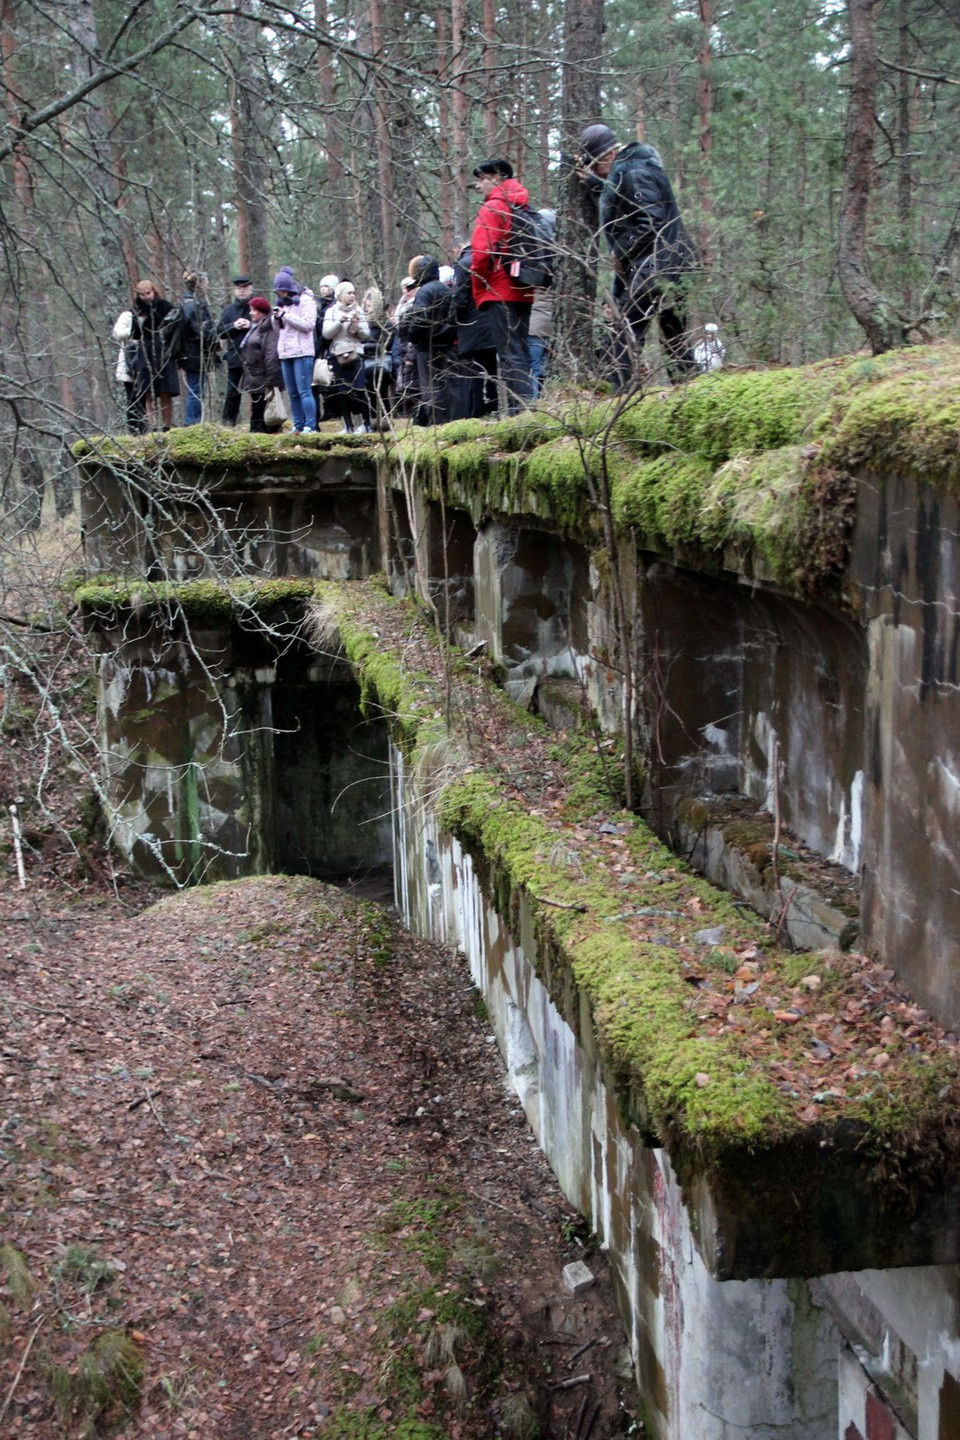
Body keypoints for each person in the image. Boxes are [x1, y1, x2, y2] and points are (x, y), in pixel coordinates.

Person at [578, 123, 697, 388]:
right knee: (674, 334)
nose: (595, 171)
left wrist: (619, 251)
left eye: (595, 165)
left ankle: (623, 400)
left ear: (609, 156)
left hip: (658, 264)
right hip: (670, 261)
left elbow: (649, 220)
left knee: (625, 332)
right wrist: (597, 185)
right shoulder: (637, 170)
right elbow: (625, 200)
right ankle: (692, 391)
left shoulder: (633, 173)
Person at [469, 157, 535, 414]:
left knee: (509, 355)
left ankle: (521, 415)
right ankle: (527, 408)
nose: (478, 187)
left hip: (499, 290)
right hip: (524, 288)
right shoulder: (522, 205)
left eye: (482, 179)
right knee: (521, 350)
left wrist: (481, 282)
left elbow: (481, 254)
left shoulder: (493, 207)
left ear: (496, 177)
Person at [399, 254, 457, 426]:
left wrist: (413, 337)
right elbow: (452, 318)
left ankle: (435, 424)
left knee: (429, 388)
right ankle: (446, 422)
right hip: (445, 346)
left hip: (427, 347)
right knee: (444, 385)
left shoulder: (424, 292)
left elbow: (419, 320)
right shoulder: (446, 290)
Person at [449, 238, 499, 420]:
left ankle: (476, 416)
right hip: (493, 325)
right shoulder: (490, 259)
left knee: (474, 376)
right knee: (493, 373)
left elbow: (459, 300)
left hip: (472, 329)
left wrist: (452, 321)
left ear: (457, 249)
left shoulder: (463, 265)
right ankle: (495, 411)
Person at [322, 280, 372, 433]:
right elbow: (326, 334)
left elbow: (367, 335)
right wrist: (339, 322)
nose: (352, 296)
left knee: (359, 390)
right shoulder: (331, 312)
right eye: (349, 293)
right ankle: (348, 425)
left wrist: (357, 329)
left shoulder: (358, 311)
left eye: (353, 293)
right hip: (338, 356)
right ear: (340, 295)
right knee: (342, 392)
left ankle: (366, 424)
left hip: (356, 355)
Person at [130, 279, 180, 431]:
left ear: (154, 291)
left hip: (164, 351)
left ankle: (166, 426)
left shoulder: (166, 306)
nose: (146, 297)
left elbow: (173, 328)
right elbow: (135, 335)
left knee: (166, 390)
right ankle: (152, 426)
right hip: (146, 352)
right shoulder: (136, 311)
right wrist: (140, 322)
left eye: (148, 293)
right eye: (142, 295)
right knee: (148, 392)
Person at [273, 266, 317, 433]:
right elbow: (280, 329)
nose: (281, 294)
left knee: (304, 391)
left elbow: (308, 324)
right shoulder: (282, 305)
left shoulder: (306, 300)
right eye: (278, 292)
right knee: (292, 393)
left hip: (302, 352)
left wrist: (286, 316)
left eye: (283, 291)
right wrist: (276, 318)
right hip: (285, 353)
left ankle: (310, 425)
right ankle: (298, 425)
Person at [239, 296, 284, 432]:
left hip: (263, 377)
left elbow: (271, 355)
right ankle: (257, 431)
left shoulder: (268, 329)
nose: (251, 313)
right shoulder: (257, 327)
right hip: (254, 376)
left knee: (262, 407)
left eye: (254, 310)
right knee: (257, 406)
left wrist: (271, 381)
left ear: (262, 312)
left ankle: (263, 433)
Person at [179, 271, 217, 425]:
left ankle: (194, 421)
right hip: (195, 353)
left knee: (197, 388)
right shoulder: (193, 305)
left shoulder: (186, 302)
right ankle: (191, 423)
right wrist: (213, 339)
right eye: (205, 283)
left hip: (192, 352)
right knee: (196, 390)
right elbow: (200, 330)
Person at [217, 275, 254, 425]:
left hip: (254, 356)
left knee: (257, 391)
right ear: (235, 290)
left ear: (251, 289)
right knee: (232, 391)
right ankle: (228, 421)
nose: (242, 291)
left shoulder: (257, 307)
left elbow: (267, 326)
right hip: (234, 357)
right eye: (239, 288)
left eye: (245, 288)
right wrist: (234, 326)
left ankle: (259, 421)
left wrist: (250, 325)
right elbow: (220, 331)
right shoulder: (228, 311)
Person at [361, 286, 394, 424]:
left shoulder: (386, 325)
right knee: (370, 393)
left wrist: (364, 347)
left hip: (381, 364)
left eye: (369, 306)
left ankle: (386, 419)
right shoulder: (364, 325)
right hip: (366, 364)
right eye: (365, 306)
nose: (367, 309)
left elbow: (386, 344)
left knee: (382, 392)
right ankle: (375, 419)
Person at [313, 274, 340, 425]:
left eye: (327, 287)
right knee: (323, 377)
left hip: (330, 345)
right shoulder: (321, 305)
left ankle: (333, 410)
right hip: (323, 346)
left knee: (331, 378)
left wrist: (320, 343)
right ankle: (328, 409)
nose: (323, 290)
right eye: (322, 287)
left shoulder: (333, 307)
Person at [112, 308, 145, 434]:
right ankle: (134, 431)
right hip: (129, 365)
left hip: (148, 365)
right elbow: (117, 333)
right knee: (132, 399)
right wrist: (132, 332)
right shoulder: (128, 315)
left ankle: (146, 429)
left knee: (146, 399)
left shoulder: (154, 314)